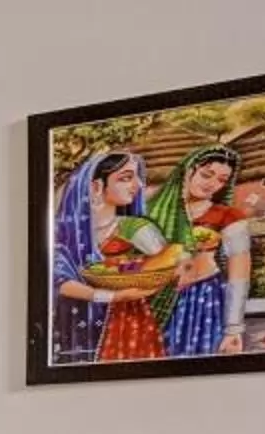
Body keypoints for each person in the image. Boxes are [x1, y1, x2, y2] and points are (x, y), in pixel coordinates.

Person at [52, 151, 163, 364]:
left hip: (126, 319)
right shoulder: (66, 233)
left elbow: (167, 265)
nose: (138, 185)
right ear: (96, 186)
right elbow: (58, 281)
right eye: (126, 178)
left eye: (138, 177)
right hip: (75, 325)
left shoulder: (137, 229)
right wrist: (112, 296)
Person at [144, 144, 251, 356]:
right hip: (153, 299)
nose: (212, 184)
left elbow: (239, 274)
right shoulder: (154, 210)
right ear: (188, 171)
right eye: (206, 175)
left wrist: (233, 329)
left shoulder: (228, 216)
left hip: (203, 300)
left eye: (221, 180)